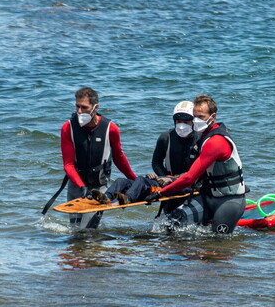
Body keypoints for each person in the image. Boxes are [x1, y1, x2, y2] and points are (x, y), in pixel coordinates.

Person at [145, 95, 247, 234]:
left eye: (201, 117)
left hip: (228, 201)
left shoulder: (215, 141)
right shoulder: (204, 137)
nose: (197, 121)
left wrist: (161, 193)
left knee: (218, 242)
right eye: (195, 117)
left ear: (213, 116)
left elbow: (190, 178)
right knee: (171, 223)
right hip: (207, 198)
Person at [60, 87, 137, 228]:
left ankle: (93, 248)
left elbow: (119, 158)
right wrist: (81, 186)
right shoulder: (68, 128)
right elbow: (68, 164)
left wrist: (135, 180)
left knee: (87, 230)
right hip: (76, 186)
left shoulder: (111, 129)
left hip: (99, 188)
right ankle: (85, 250)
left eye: (84, 107)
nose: (79, 111)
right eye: (77, 106)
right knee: (75, 230)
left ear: (95, 107)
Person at [150, 100, 200, 213]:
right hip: (171, 186)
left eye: (186, 122)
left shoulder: (200, 139)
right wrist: (164, 178)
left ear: (193, 122)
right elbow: (156, 162)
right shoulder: (165, 138)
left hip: (194, 187)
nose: (182, 125)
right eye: (178, 121)